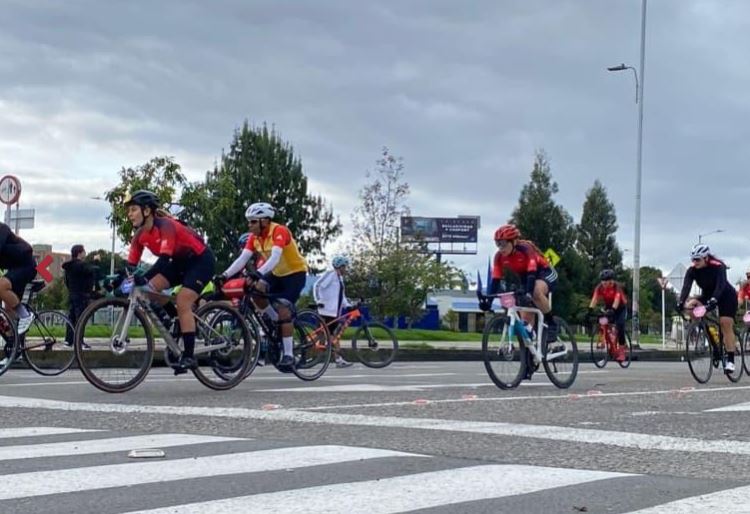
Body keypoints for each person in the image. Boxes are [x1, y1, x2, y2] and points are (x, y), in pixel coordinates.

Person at [124, 190, 215, 374]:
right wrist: (120, 280)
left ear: (147, 211)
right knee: (149, 290)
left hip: (200, 260)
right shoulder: (139, 235)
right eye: (129, 211)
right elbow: (131, 266)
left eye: (133, 210)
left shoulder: (166, 226)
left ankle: (189, 355)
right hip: (179, 263)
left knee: (183, 301)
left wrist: (145, 276)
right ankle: (177, 322)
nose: (130, 214)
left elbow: (163, 260)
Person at [219, 202, 308, 370]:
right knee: (255, 292)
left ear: (265, 221)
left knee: (284, 309)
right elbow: (242, 259)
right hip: (276, 273)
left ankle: (288, 354)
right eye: (249, 222)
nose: (249, 225)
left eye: (253, 221)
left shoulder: (279, 231)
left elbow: (274, 258)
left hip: (295, 274)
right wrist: (224, 275)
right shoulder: (254, 237)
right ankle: (275, 320)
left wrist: (258, 273)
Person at [489, 224, 559, 343]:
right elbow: (495, 280)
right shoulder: (498, 257)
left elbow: (532, 272)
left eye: (504, 243)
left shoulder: (526, 249)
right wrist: (488, 300)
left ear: (514, 241)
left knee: (535, 292)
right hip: (526, 278)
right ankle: (530, 351)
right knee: (524, 320)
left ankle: (551, 323)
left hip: (543, 272)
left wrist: (528, 292)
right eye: (498, 244)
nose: (501, 248)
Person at [677, 243, 738, 373]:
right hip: (708, 295)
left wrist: (714, 300)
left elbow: (720, 286)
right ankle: (709, 337)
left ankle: (731, 361)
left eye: (697, 259)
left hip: (726, 295)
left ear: (706, 258)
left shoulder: (718, 266)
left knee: (725, 323)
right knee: (691, 304)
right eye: (693, 259)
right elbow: (686, 287)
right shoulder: (692, 270)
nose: (695, 262)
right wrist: (681, 302)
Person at [0, 222, 36, 367]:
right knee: (8, 312)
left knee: (1, 286)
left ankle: (25, 315)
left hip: (27, 266)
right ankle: (14, 351)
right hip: (15, 269)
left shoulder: (2, 229)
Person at [314, 254, 353, 368]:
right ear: (339, 266)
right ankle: (338, 359)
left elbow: (341, 296)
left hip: (334, 312)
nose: (346, 269)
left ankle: (335, 359)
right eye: (344, 266)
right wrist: (318, 300)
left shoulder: (340, 278)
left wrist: (348, 305)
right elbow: (317, 285)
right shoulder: (330, 274)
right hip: (326, 311)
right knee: (329, 336)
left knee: (328, 336)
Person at [62, 245, 99, 347]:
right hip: (82, 295)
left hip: (72, 294)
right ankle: (79, 341)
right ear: (79, 253)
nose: (85, 253)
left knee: (72, 317)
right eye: (84, 251)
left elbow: (66, 281)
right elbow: (91, 271)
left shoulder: (68, 267)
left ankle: (69, 340)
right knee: (81, 318)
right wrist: (95, 261)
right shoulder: (81, 266)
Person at [589, 269, 628, 361]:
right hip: (609, 306)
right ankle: (606, 340)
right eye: (603, 281)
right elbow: (595, 299)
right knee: (602, 321)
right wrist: (590, 310)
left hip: (620, 307)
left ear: (612, 281)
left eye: (606, 281)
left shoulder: (617, 287)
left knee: (620, 325)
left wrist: (613, 310)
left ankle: (622, 350)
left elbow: (617, 299)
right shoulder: (599, 287)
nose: (604, 283)